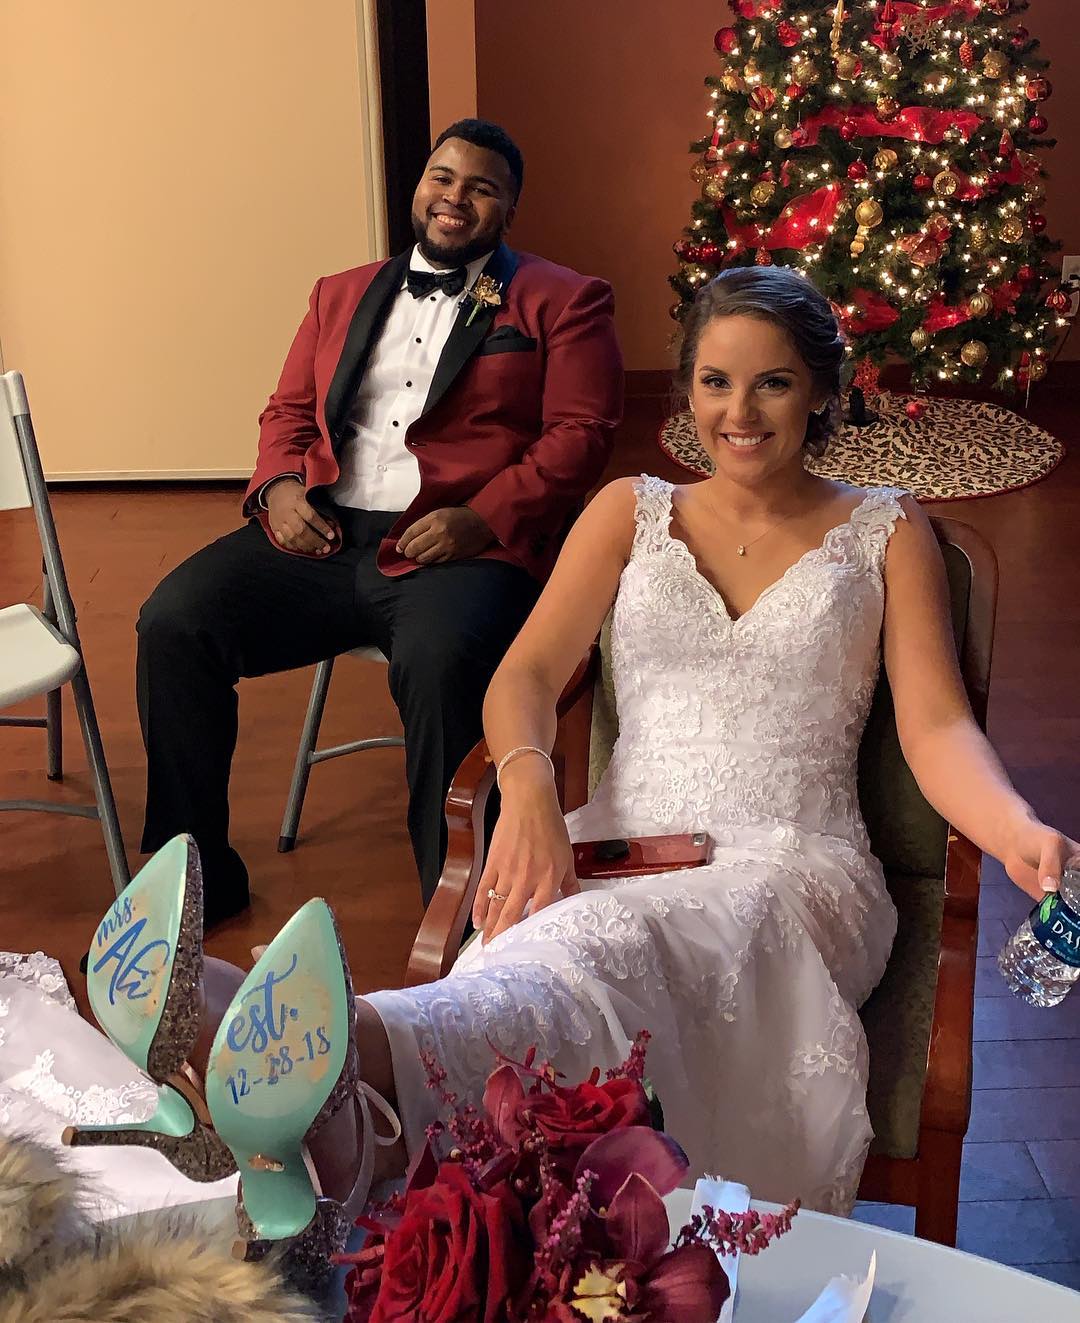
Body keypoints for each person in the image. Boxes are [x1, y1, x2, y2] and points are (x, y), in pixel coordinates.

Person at [62, 267, 1078, 1263]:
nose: (739, 412)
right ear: (685, 389)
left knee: (609, 943)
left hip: (791, 870)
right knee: (550, 946)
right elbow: (527, 674)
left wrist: (1017, 831)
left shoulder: (886, 531)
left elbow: (937, 732)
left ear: (820, 390)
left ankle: (339, 1051)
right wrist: (531, 791)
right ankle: (337, 1111)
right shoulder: (630, 510)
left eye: (771, 383)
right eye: (715, 381)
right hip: (615, 849)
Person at [135, 119, 623, 923]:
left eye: (481, 188)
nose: (454, 198)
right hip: (322, 538)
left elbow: (581, 433)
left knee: (443, 662)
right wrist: (279, 489)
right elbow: (288, 411)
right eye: (442, 178)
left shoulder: (563, 299)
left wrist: (482, 516)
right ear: (419, 185)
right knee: (174, 622)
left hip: (453, 549)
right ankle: (189, 886)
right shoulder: (340, 291)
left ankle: (467, 916)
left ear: (510, 209)